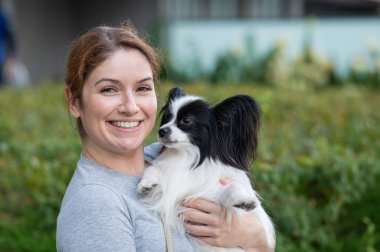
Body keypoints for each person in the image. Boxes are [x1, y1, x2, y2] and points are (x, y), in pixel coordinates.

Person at [56, 22, 274, 252]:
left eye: (142, 88)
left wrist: (258, 238)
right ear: (74, 102)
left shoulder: (170, 158)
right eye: (109, 89)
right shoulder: (96, 204)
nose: (130, 107)